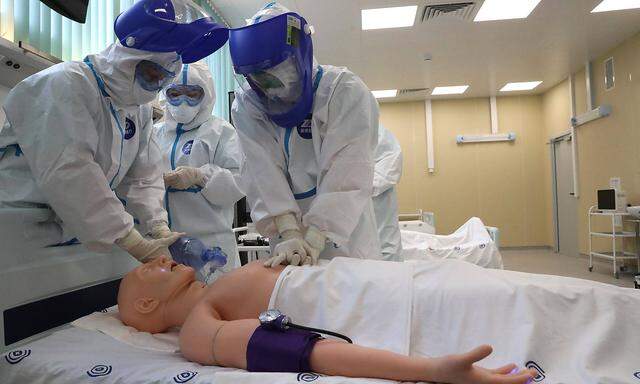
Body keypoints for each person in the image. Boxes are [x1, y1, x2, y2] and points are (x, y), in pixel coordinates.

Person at [0, 0, 228, 262]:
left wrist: (157, 225)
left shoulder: (137, 108)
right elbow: (71, 170)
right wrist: (129, 238)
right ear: (128, 59)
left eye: (164, 79)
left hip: (67, 232)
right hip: (17, 228)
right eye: (152, 74)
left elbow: (144, 176)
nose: (156, 86)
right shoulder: (66, 84)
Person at [118, 257, 537, 383]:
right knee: (532, 301)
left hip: (393, 280)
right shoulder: (197, 329)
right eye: (144, 272)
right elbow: (312, 353)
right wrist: (432, 369)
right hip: (395, 302)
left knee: (527, 293)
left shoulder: (213, 292)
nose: (156, 259)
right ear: (146, 307)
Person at [229, 3, 381, 267]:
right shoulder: (249, 104)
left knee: (348, 302)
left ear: (298, 57)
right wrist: (288, 230)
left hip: (344, 238)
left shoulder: (342, 92)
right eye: (258, 79)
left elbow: (348, 171)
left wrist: (316, 237)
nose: (269, 88)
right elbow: (259, 171)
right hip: (286, 243)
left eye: (272, 73)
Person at [154, 61, 244, 276]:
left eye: (192, 94)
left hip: (210, 246)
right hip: (162, 244)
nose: (182, 102)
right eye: (175, 93)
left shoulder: (220, 131)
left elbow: (240, 181)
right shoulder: (154, 134)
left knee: (214, 305)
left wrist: (199, 176)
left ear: (207, 95)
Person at [372, 124, 403, 261]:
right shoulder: (326, 135)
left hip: (381, 233)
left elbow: (389, 171)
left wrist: (355, 190)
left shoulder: (378, 133)